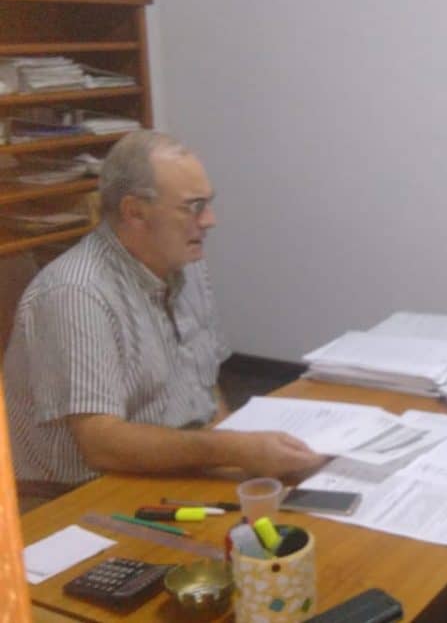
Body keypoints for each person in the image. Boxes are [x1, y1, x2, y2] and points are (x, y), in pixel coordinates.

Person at [4, 131, 326, 508]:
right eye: (193, 207)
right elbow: (100, 443)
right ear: (135, 212)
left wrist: (236, 457)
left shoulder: (184, 263)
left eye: (208, 204)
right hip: (75, 494)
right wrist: (233, 449)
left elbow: (204, 385)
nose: (210, 220)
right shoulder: (76, 292)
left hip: (172, 466)